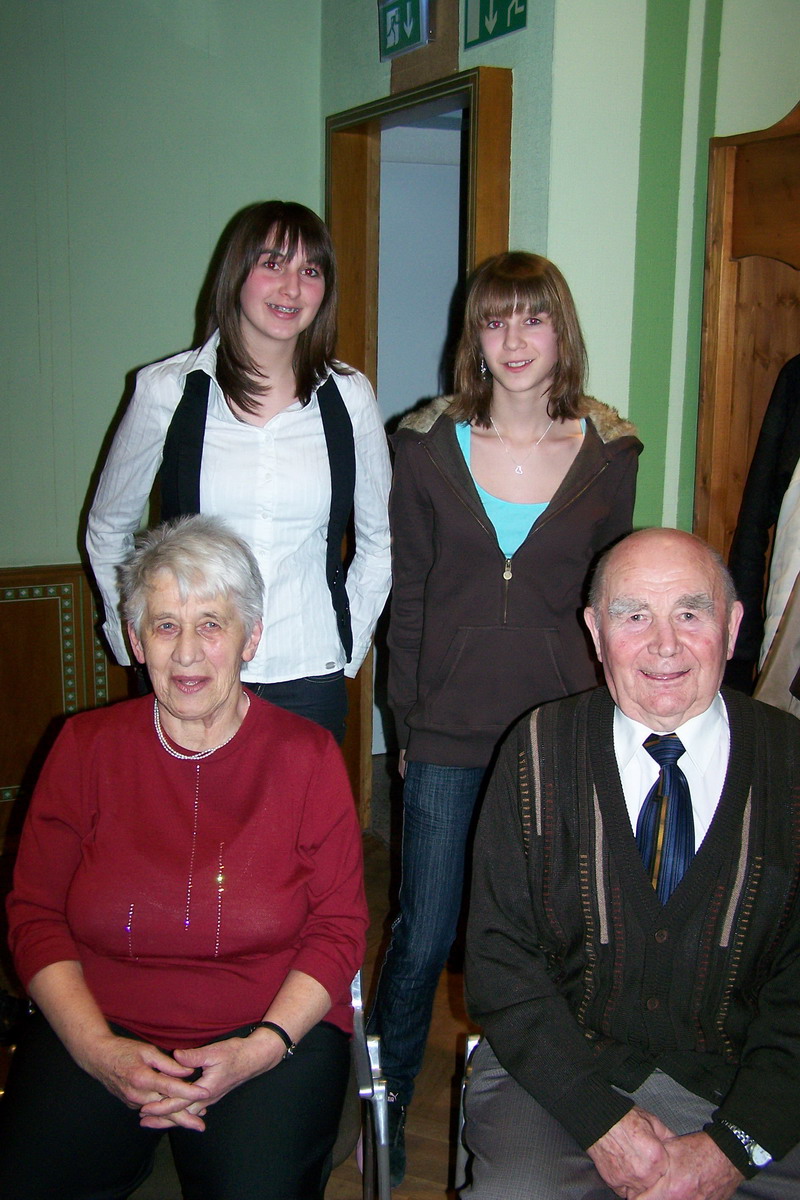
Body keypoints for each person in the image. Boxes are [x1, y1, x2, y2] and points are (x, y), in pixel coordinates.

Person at [368, 251, 642, 1184]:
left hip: (563, 736)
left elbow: (615, 602)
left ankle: (550, 1092)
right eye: (495, 321)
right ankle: (387, 1096)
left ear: (560, 331)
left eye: (533, 319)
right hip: (447, 734)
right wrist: (406, 727)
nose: (514, 340)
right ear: (472, 337)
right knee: (424, 934)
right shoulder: (423, 452)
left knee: (561, 934)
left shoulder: (610, 458)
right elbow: (407, 597)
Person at [0, 515, 368, 1200]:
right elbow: (35, 914)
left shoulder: (306, 757)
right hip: (99, 1026)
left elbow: (338, 931)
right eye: (166, 625)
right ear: (136, 640)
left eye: (212, 624)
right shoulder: (84, 748)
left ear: (250, 638)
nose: (188, 652)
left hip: (266, 1036)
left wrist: (257, 1049)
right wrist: (96, 1050)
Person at [463, 527, 800, 1199]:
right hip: (558, 1076)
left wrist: (733, 1147)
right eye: (634, 614)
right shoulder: (535, 752)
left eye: (690, 613)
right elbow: (501, 966)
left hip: (748, 1081)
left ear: (731, 628)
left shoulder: (792, 766)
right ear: (595, 630)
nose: (665, 644)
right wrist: (600, 1121)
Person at [86, 200, 391, 743]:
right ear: (237, 274)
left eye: (311, 271)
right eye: (273, 263)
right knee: (186, 828)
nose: (292, 288)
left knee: (299, 829)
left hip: (308, 673)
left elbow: (380, 540)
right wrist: (135, 635)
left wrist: (348, 642)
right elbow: (108, 530)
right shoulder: (169, 391)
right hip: (192, 670)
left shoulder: (349, 398)